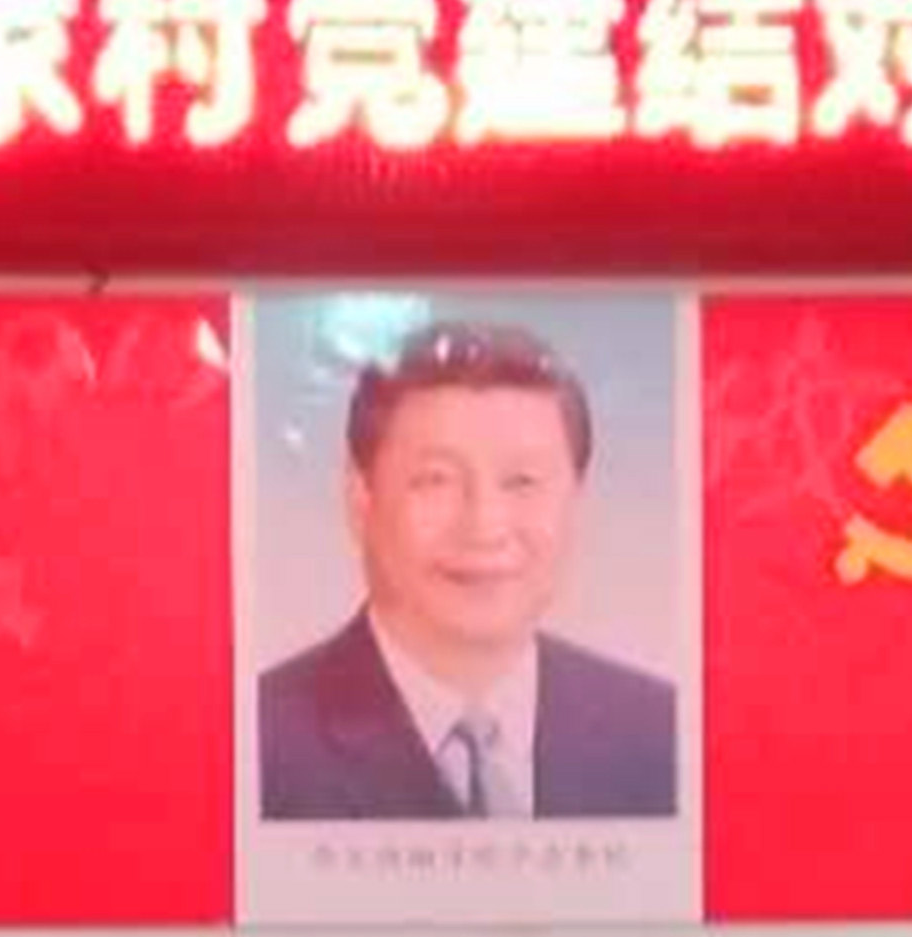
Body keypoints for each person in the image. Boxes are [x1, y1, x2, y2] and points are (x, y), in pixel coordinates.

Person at [253, 318, 679, 822]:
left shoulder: (659, 731)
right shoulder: (259, 740)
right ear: (360, 498)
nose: (484, 527)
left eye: (521, 481)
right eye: (436, 480)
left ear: (577, 498)